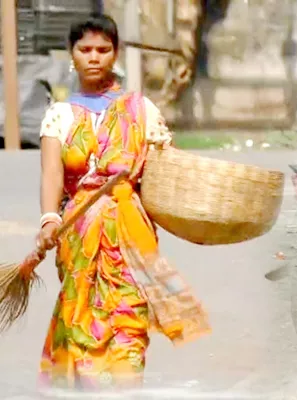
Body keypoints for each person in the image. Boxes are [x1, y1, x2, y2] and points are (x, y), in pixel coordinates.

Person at [36, 14, 210, 391]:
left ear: (115, 54)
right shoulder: (59, 115)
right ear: (72, 54)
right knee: (81, 323)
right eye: (85, 50)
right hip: (79, 239)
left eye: (103, 49)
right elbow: (51, 174)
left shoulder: (141, 110)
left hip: (131, 239)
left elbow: (166, 169)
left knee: (128, 322)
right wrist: (49, 219)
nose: (94, 57)